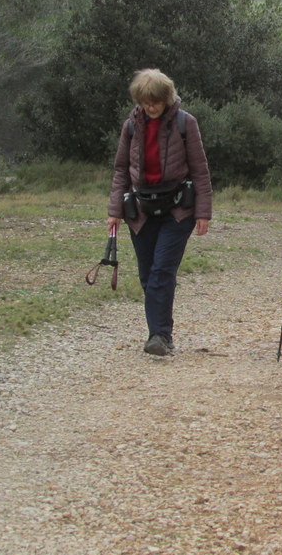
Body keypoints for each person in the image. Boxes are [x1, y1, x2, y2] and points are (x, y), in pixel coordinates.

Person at [107, 69, 213, 356]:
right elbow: (120, 170)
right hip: (140, 209)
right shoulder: (130, 126)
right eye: (145, 102)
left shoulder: (185, 123)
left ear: (166, 98)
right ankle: (161, 331)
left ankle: (159, 336)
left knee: (162, 270)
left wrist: (203, 212)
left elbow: (200, 170)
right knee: (147, 274)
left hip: (178, 209)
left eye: (155, 101)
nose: (150, 107)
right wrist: (115, 210)